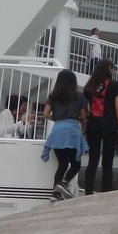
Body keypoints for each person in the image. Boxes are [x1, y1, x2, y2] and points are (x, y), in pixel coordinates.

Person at [40, 69, 87, 201]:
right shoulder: (79, 96)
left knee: (62, 164)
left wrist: (57, 120)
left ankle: (55, 194)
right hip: (72, 132)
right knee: (75, 165)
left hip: (57, 132)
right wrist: (83, 129)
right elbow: (83, 117)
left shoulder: (53, 96)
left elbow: (45, 114)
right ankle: (63, 184)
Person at [83, 58, 118, 195]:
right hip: (110, 127)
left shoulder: (90, 86)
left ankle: (88, 191)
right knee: (108, 162)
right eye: (113, 68)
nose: (114, 71)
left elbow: (85, 108)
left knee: (93, 160)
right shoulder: (116, 85)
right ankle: (106, 191)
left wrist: (85, 125)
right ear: (109, 69)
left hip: (93, 127)